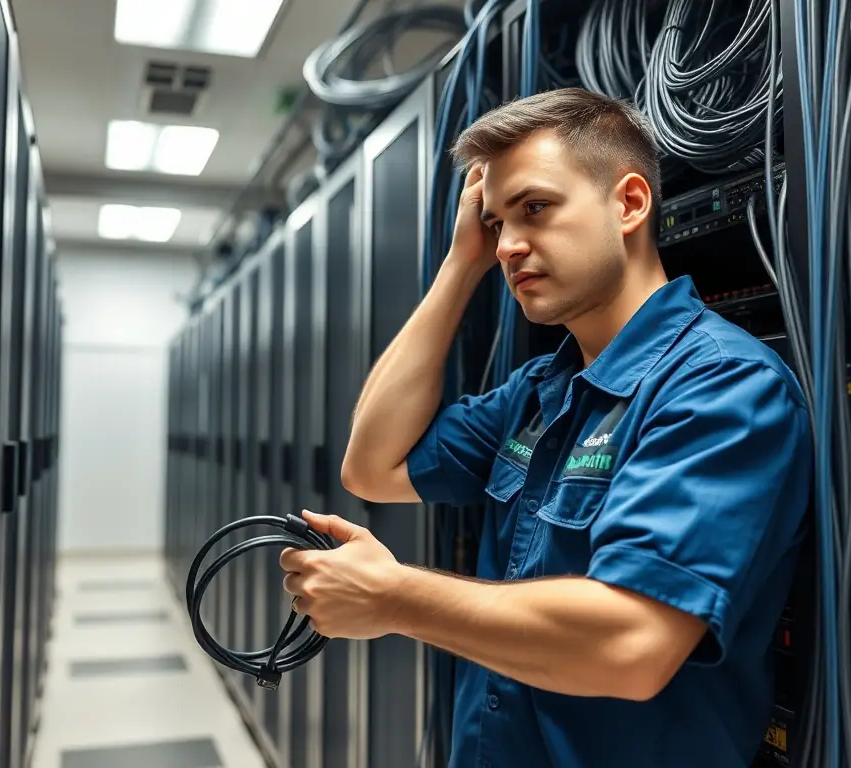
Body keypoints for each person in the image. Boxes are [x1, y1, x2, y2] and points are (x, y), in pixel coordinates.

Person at [279, 88, 812, 768]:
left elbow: (632, 646)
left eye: (536, 208)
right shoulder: (539, 392)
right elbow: (372, 468)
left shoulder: (721, 387)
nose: (510, 245)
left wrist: (393, 597)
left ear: (629, 203)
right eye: (496, 223)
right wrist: (459, 264)